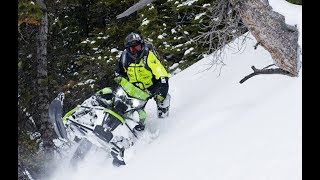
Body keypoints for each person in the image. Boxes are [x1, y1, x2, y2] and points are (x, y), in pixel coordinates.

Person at [115, 32, 170, 131]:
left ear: (142, 45)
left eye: (138, 47)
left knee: (163, 99)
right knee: (126, 107)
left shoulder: (149, 56)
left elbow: (162, 75)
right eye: (133, 49)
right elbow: (119, 71)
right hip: (135, 88)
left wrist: (161, 92)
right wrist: (119, 77)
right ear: (128, 49)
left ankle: (164, 123)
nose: (135, 51)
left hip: (152, 85)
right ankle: (125, 128)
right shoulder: (124, 57)